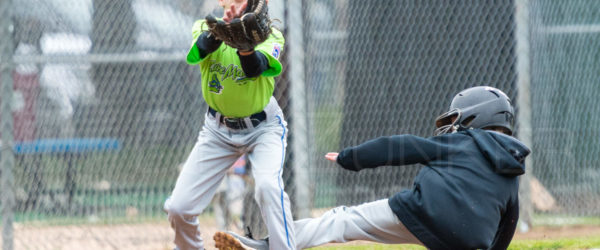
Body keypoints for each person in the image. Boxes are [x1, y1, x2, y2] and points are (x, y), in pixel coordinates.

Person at [214, 86, 531, 250]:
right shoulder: (513, 170)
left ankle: (266, 246)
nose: (452, 126)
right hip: (470, 239)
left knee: (340, 221)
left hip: (421, 211)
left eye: (455, 119)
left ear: (475, 118)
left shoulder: (461, 143)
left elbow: (403, 146)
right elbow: (510, 220)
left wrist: (350, 158)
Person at [163, 0, 296, 249]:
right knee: (179, 208)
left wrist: (245, 46)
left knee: (268, 189)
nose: (236, 4)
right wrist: (220, 31)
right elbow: (200, 50)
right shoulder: (204, 27)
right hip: (217, 131)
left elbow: (254, 69)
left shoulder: (271, 36)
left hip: (263, 128)